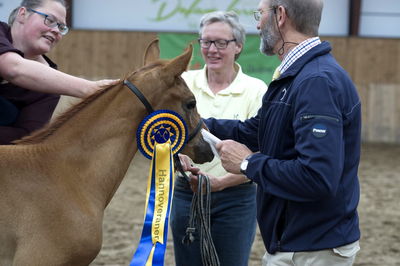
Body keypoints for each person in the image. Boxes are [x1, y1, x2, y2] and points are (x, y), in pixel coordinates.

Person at [182, 0, 362, 265]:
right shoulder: (295, 77)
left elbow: (317, 177)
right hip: (294, 242)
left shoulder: (316, 82)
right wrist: (191, 123)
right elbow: (253, 131)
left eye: (260, 14)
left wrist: (247, 163)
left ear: (280, 15)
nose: (257, 24)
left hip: (312, 249)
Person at [170, 11, 268, 266]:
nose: (212, 49)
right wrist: (176, 159)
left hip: (236, 199)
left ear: (238, 46)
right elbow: (168, 137)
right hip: (186, 193)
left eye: (221, 43)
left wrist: (221, 183)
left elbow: (261, 153)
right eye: (206, 41)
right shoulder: (184, 84)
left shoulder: (256, 91)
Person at [0, 0, 117, 144]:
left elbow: (27, 138)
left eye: (61, 27)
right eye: (49, 20)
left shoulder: (52, 85)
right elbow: (12, 68)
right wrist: (92, 89)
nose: (56, 30)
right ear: (22, 14)